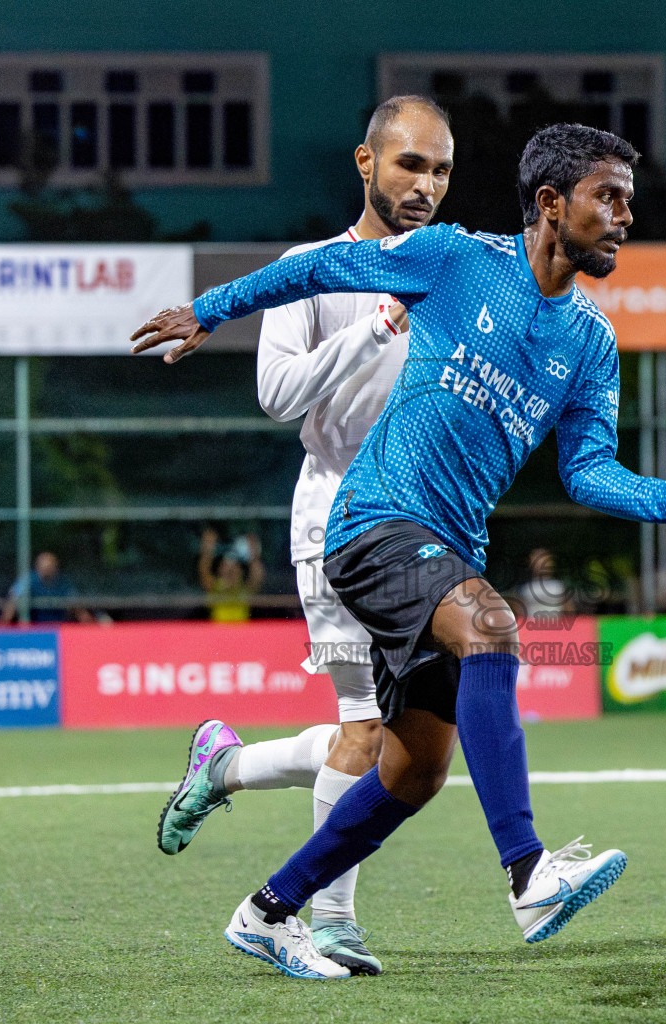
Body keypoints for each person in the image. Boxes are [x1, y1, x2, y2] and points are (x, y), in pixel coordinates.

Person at [133, 122, 666, 979]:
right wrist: (206, 310)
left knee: (414, 769)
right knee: (492, 626)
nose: (624, 218)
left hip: (446, 547)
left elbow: (588, 471)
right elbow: (315, 268)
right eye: (608, 198)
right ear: (549, 203)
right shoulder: (457, 259)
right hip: (373, 522)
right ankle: (530, 872)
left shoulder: (591, 343)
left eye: (629, 204)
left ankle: (268, 912)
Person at [155, 96, 453, 976]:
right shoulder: (310, 269)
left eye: (439, 169)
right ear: (366, 164)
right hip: (338, 523)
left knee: (396, 746)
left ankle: (226, 767)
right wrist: (376, 324)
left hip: (426, 528)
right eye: (409, 165)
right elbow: (279, 396)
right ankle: (326, 922)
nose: (425, 185)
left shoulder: (452, 267)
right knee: (367, 737)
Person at [0, 551, 93, 624]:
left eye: (50, 567)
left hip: (58, 626)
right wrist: (4, 624)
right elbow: (13, 599)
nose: (47, 570)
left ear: (55, 567)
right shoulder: (29, 580)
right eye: (44, 567)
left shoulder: (63, 582)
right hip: (33, 626)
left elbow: (77, 607)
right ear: (37, 567)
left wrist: (90, 624)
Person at [197, 528, 265, 624]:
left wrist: (253, 554)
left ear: (240, 571)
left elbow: (257, 576)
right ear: (220, 570)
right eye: (225, 567)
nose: (229, 571)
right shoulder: (215, 587)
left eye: (233, 568)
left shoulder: (244, 589)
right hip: (218, 632)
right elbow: (204, 571)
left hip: (241, 632)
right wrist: (207, 550)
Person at [515, 547, 574, 623]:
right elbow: (520, 613)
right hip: (532, 629)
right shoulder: (525, 589)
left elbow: (569, 610)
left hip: (557, 628)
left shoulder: (559, 586)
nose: (540, 564)